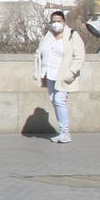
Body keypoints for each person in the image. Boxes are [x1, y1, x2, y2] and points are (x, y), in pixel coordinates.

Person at [33, 9, 85, 144]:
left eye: (58, 21)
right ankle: (62, 132)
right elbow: (41, 52)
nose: (56, 24)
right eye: (53, 21)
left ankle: (65, 133)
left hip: (63, 75)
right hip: (49, 74)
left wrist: (71, 72)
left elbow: (79, 56)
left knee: (59, 100)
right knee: (54, 101)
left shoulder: (72, 35)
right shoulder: (48, 36)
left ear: (64, 22)